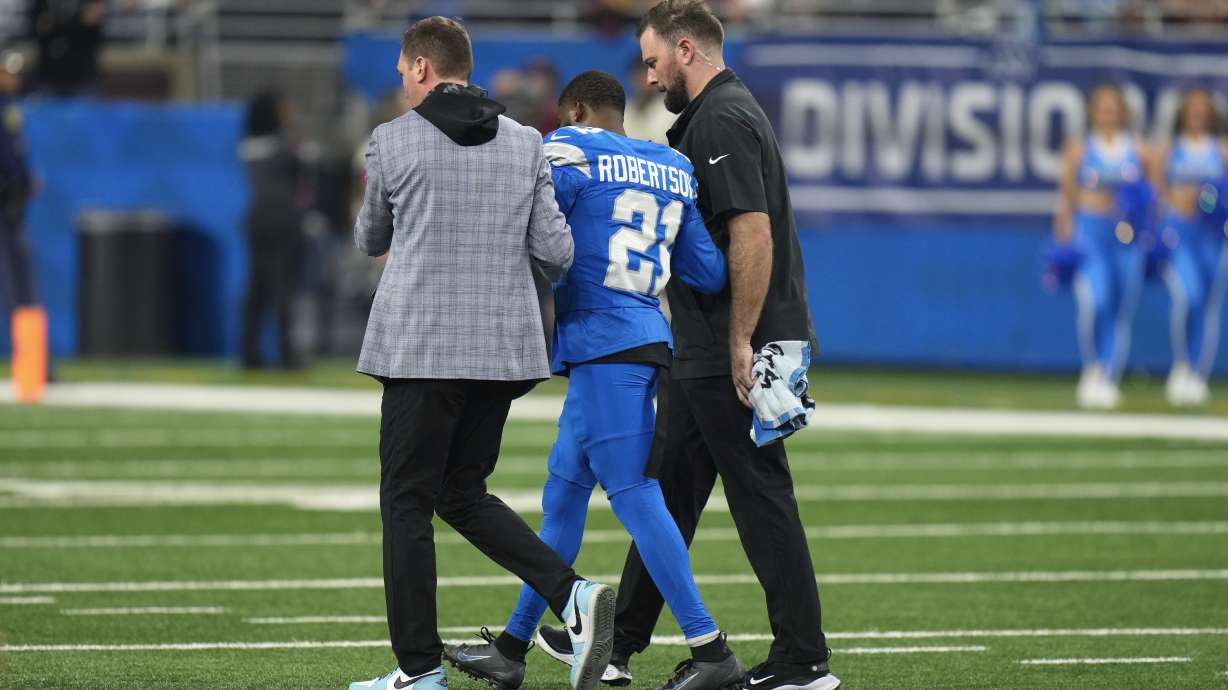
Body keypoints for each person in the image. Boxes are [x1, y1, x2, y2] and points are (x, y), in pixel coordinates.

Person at [541, 3, 840, 690]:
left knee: (760, 494)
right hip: (713, 341)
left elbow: (753, 233)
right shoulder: (720, 115)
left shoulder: (721, 119)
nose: (648, 78)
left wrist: (741, 341)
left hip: (734, 343)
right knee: (668, 484)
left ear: (686, 50)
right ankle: (617, 644)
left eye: (653, 62)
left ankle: (803, 661)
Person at [442, 70, 743, 690]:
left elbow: (531, 228)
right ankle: (513, 648)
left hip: (608, 345)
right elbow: (708, 272)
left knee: (633, 491)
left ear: (573, 109)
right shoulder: (669, 162)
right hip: (633, 338)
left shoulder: (566, 150)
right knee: (564, 493)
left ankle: (710, 647)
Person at [350, 17, 615, 690]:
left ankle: (417, 670)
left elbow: (369, 236)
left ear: (418, 69)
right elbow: (556, 253)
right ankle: (572, 593)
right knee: (462, 493)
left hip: (421, 345)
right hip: (502, 350)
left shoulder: (392, 139)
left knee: (407, 504)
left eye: (401, 69)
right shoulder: (528, 143)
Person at [1055, 83, 1151, 409]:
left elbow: (1152, 197)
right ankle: (1093, 369)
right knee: (1094, 302)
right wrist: (1063, 236)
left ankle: (1108, 376)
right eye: (1102, 106)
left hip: (1126, 237)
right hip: (1090, 232)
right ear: (1092, 111)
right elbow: (1067, 196)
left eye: (1114, 106)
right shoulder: (1079, 147)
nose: (1108, 112)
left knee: (1119, 308)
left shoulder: (1138, 148)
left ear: (1123, 111)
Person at [1148, 88, 1228, 406]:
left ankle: (1197, 373)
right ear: (1182, 113)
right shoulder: (1168, 148)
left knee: (1207, 304)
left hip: (1210, 237)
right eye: (1191, 107)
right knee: (1189, 295)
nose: (1197, 113)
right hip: (1177, 232)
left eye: (1202, 107)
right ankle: (1182, 364)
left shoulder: (1221, 150)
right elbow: (1154, 193)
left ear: (1210, 113)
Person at [240, 88, 305, 370]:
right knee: (281, 288)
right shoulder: (283, 147)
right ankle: (287, 354)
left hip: (257, 218)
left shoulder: (247, 146)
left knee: (256, 289)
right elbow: (299, 172)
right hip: (281, 219)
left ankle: (249, 351)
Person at [622, 59, 674, 145]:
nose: (644, 82)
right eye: (639, 76)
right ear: (632, 78)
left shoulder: (670, 112)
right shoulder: (624, 111)